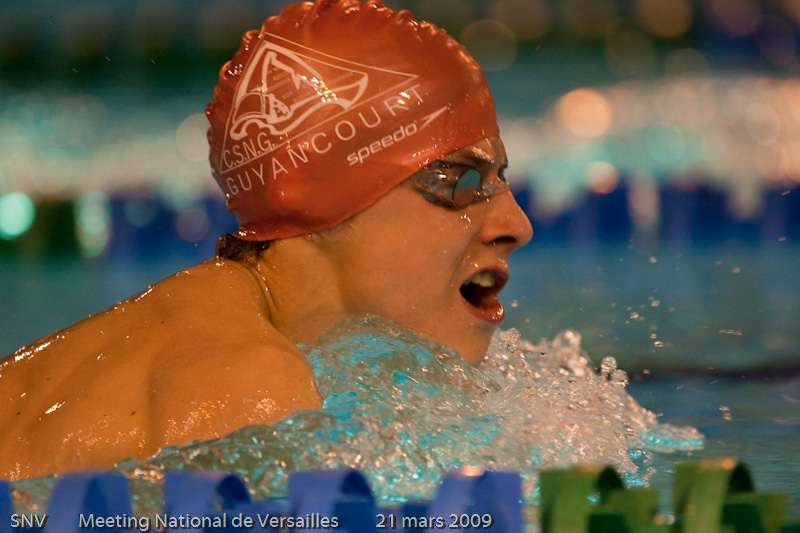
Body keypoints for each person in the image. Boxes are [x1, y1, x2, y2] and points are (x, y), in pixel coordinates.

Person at [0, 0, 532, 481]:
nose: (516, 224)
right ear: (326, 194)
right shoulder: (251, 393)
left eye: (501, 180)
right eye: (461, 181)